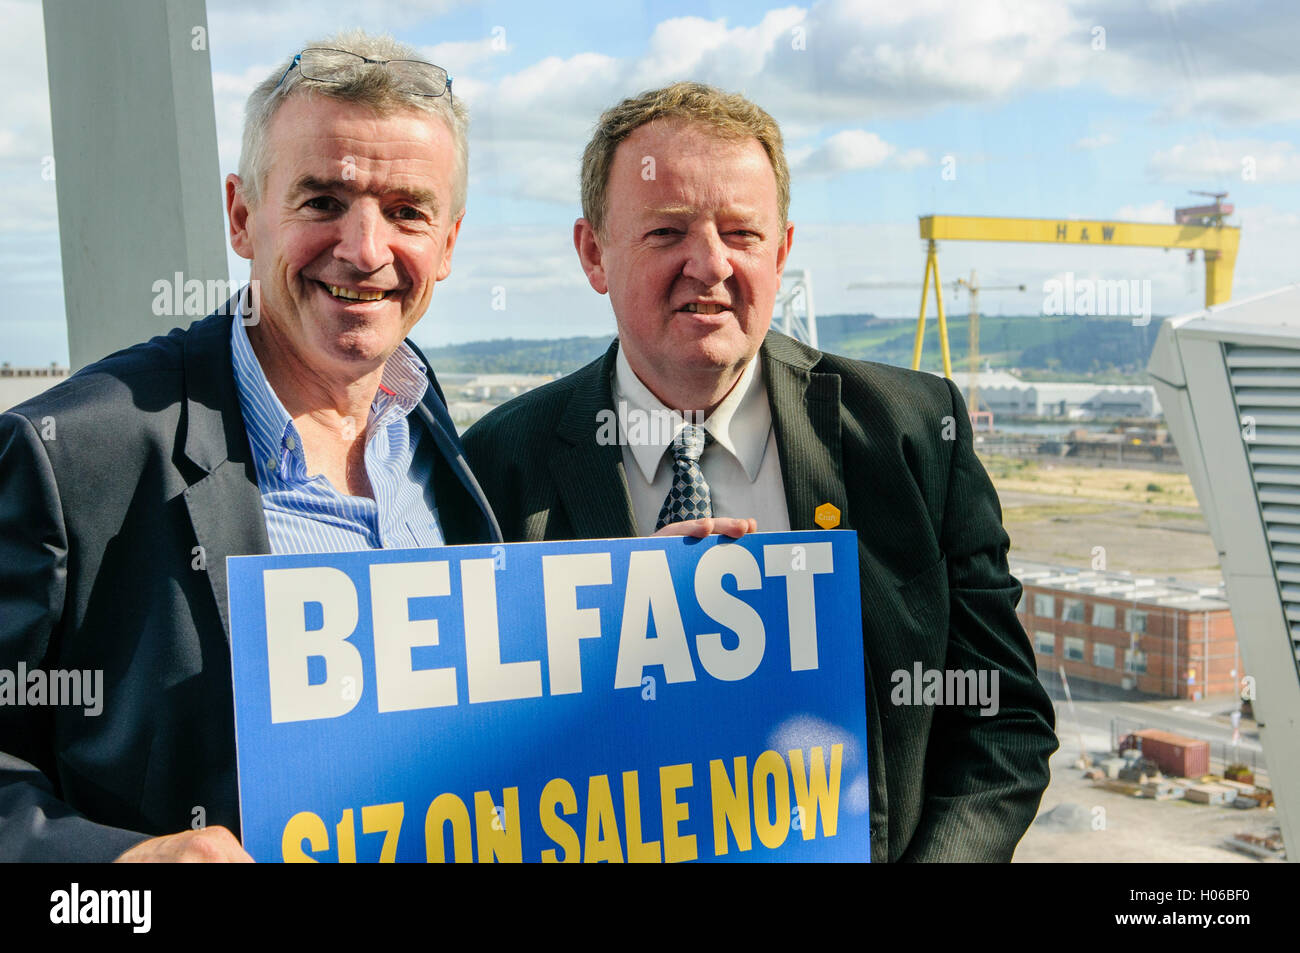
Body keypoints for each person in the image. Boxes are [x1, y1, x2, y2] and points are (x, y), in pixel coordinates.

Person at [463, 82, 1057, 862]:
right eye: (667, 230)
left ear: (780, 252)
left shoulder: (911, 433)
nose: (708, 265)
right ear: (592, 252)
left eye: (741, 233)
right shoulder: (498, 466)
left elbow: (1001, 720)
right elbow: (471, 763)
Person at [0, 32, 499, 862]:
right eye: (322, 201)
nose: (365, 249)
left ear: (446, 246)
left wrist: (637, 598)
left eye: (408, 210)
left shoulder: (424, 420)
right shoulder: (72, 453)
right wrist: (119, 867)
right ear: (242, 215)